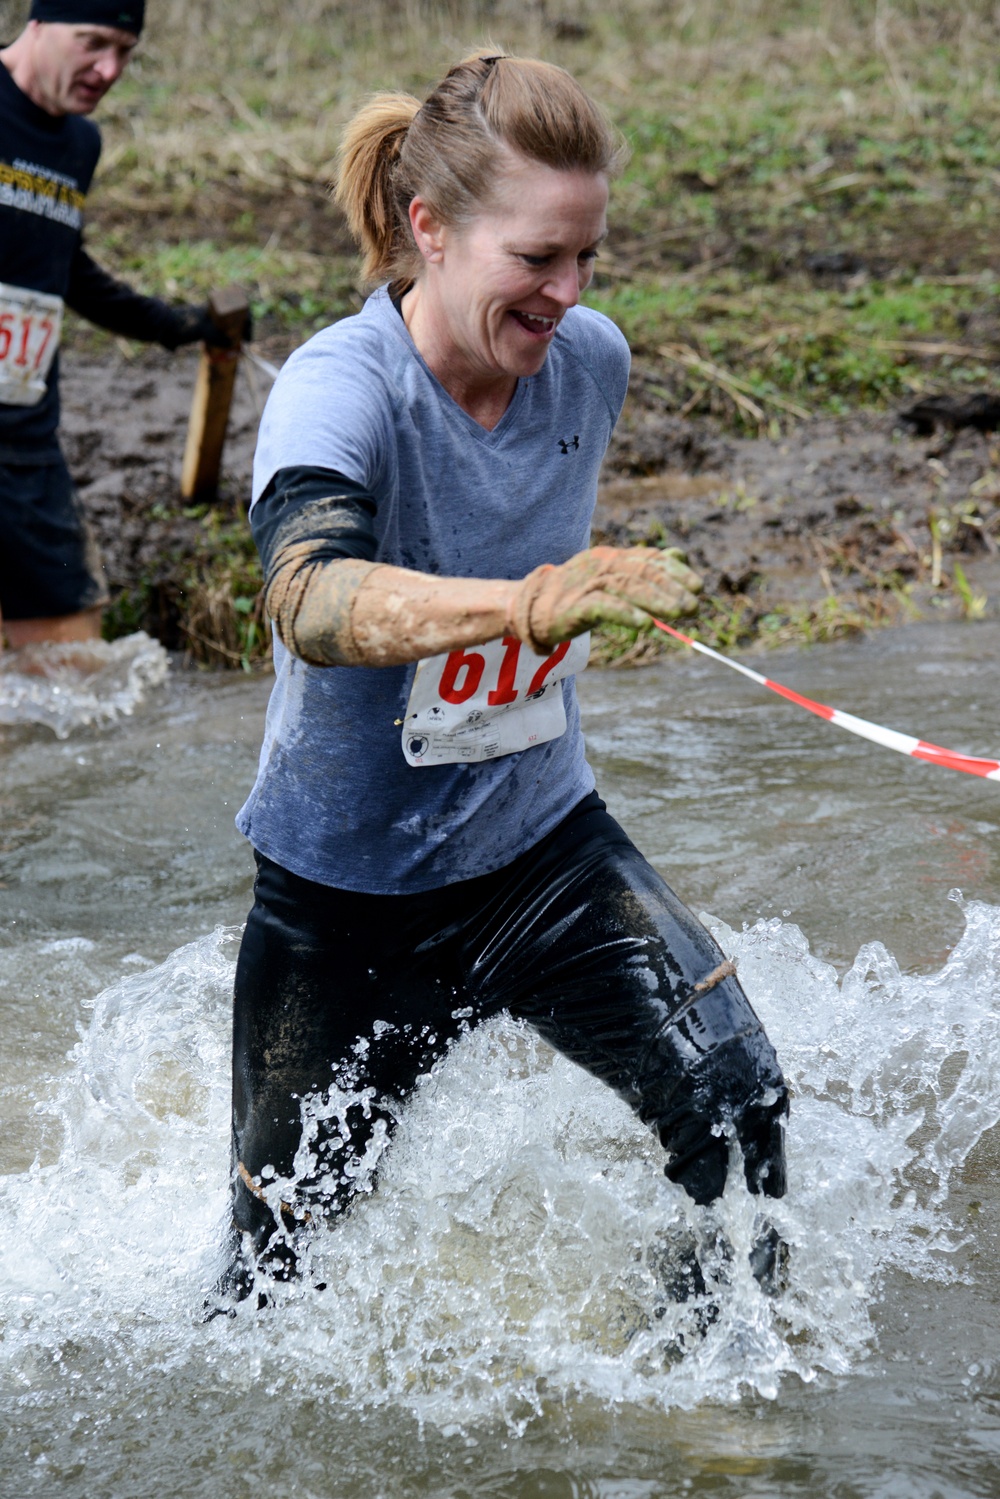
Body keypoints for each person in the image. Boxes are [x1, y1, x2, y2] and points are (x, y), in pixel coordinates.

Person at [224, 53, 788, 1305]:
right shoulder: (338, 388)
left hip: (539, 851)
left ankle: (714, 1408)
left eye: (587, 257)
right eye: (536, 258)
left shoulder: (590, 359)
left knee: (740, 1111)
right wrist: (526, 601)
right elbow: (310, 599)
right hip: (344, 898)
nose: (567, 293)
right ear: (428, 227)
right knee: (274, 1274)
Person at [0, 0, 241, 651]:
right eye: (94, 42)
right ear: (39, 23)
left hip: (24, 440)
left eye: (126, 52)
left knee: (72, 670)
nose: (109, 69)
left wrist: (179, 325)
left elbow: (61, 264)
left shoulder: (80, 144)